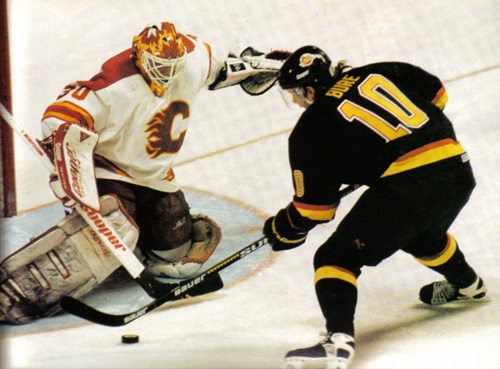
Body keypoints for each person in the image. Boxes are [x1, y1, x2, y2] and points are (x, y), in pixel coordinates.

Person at [0, 21, 284, 324]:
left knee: (173, 255)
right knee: (111, 228)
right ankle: (16, 289)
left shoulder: (192, 58)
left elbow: (224, 66)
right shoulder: (116, 82)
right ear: (140, 55)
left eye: (173, 65)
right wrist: (66, 151)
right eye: (159, 65)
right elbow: (61, 115)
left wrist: (265, 65)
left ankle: (131, 245)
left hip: (155, 177)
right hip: (110, 172)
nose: (167, 73)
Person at [263, 45, 488, 369]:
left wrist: (283, 227)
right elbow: (436, 94)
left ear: (309, 88)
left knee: (334, 258)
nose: (297, 102)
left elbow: (316, 210)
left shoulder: (311, 127)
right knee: (421, 236)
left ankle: (337, 343)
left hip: (409, 185)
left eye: (296, 94)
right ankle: (469, 285)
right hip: (456, 167)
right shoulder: (379, 70)